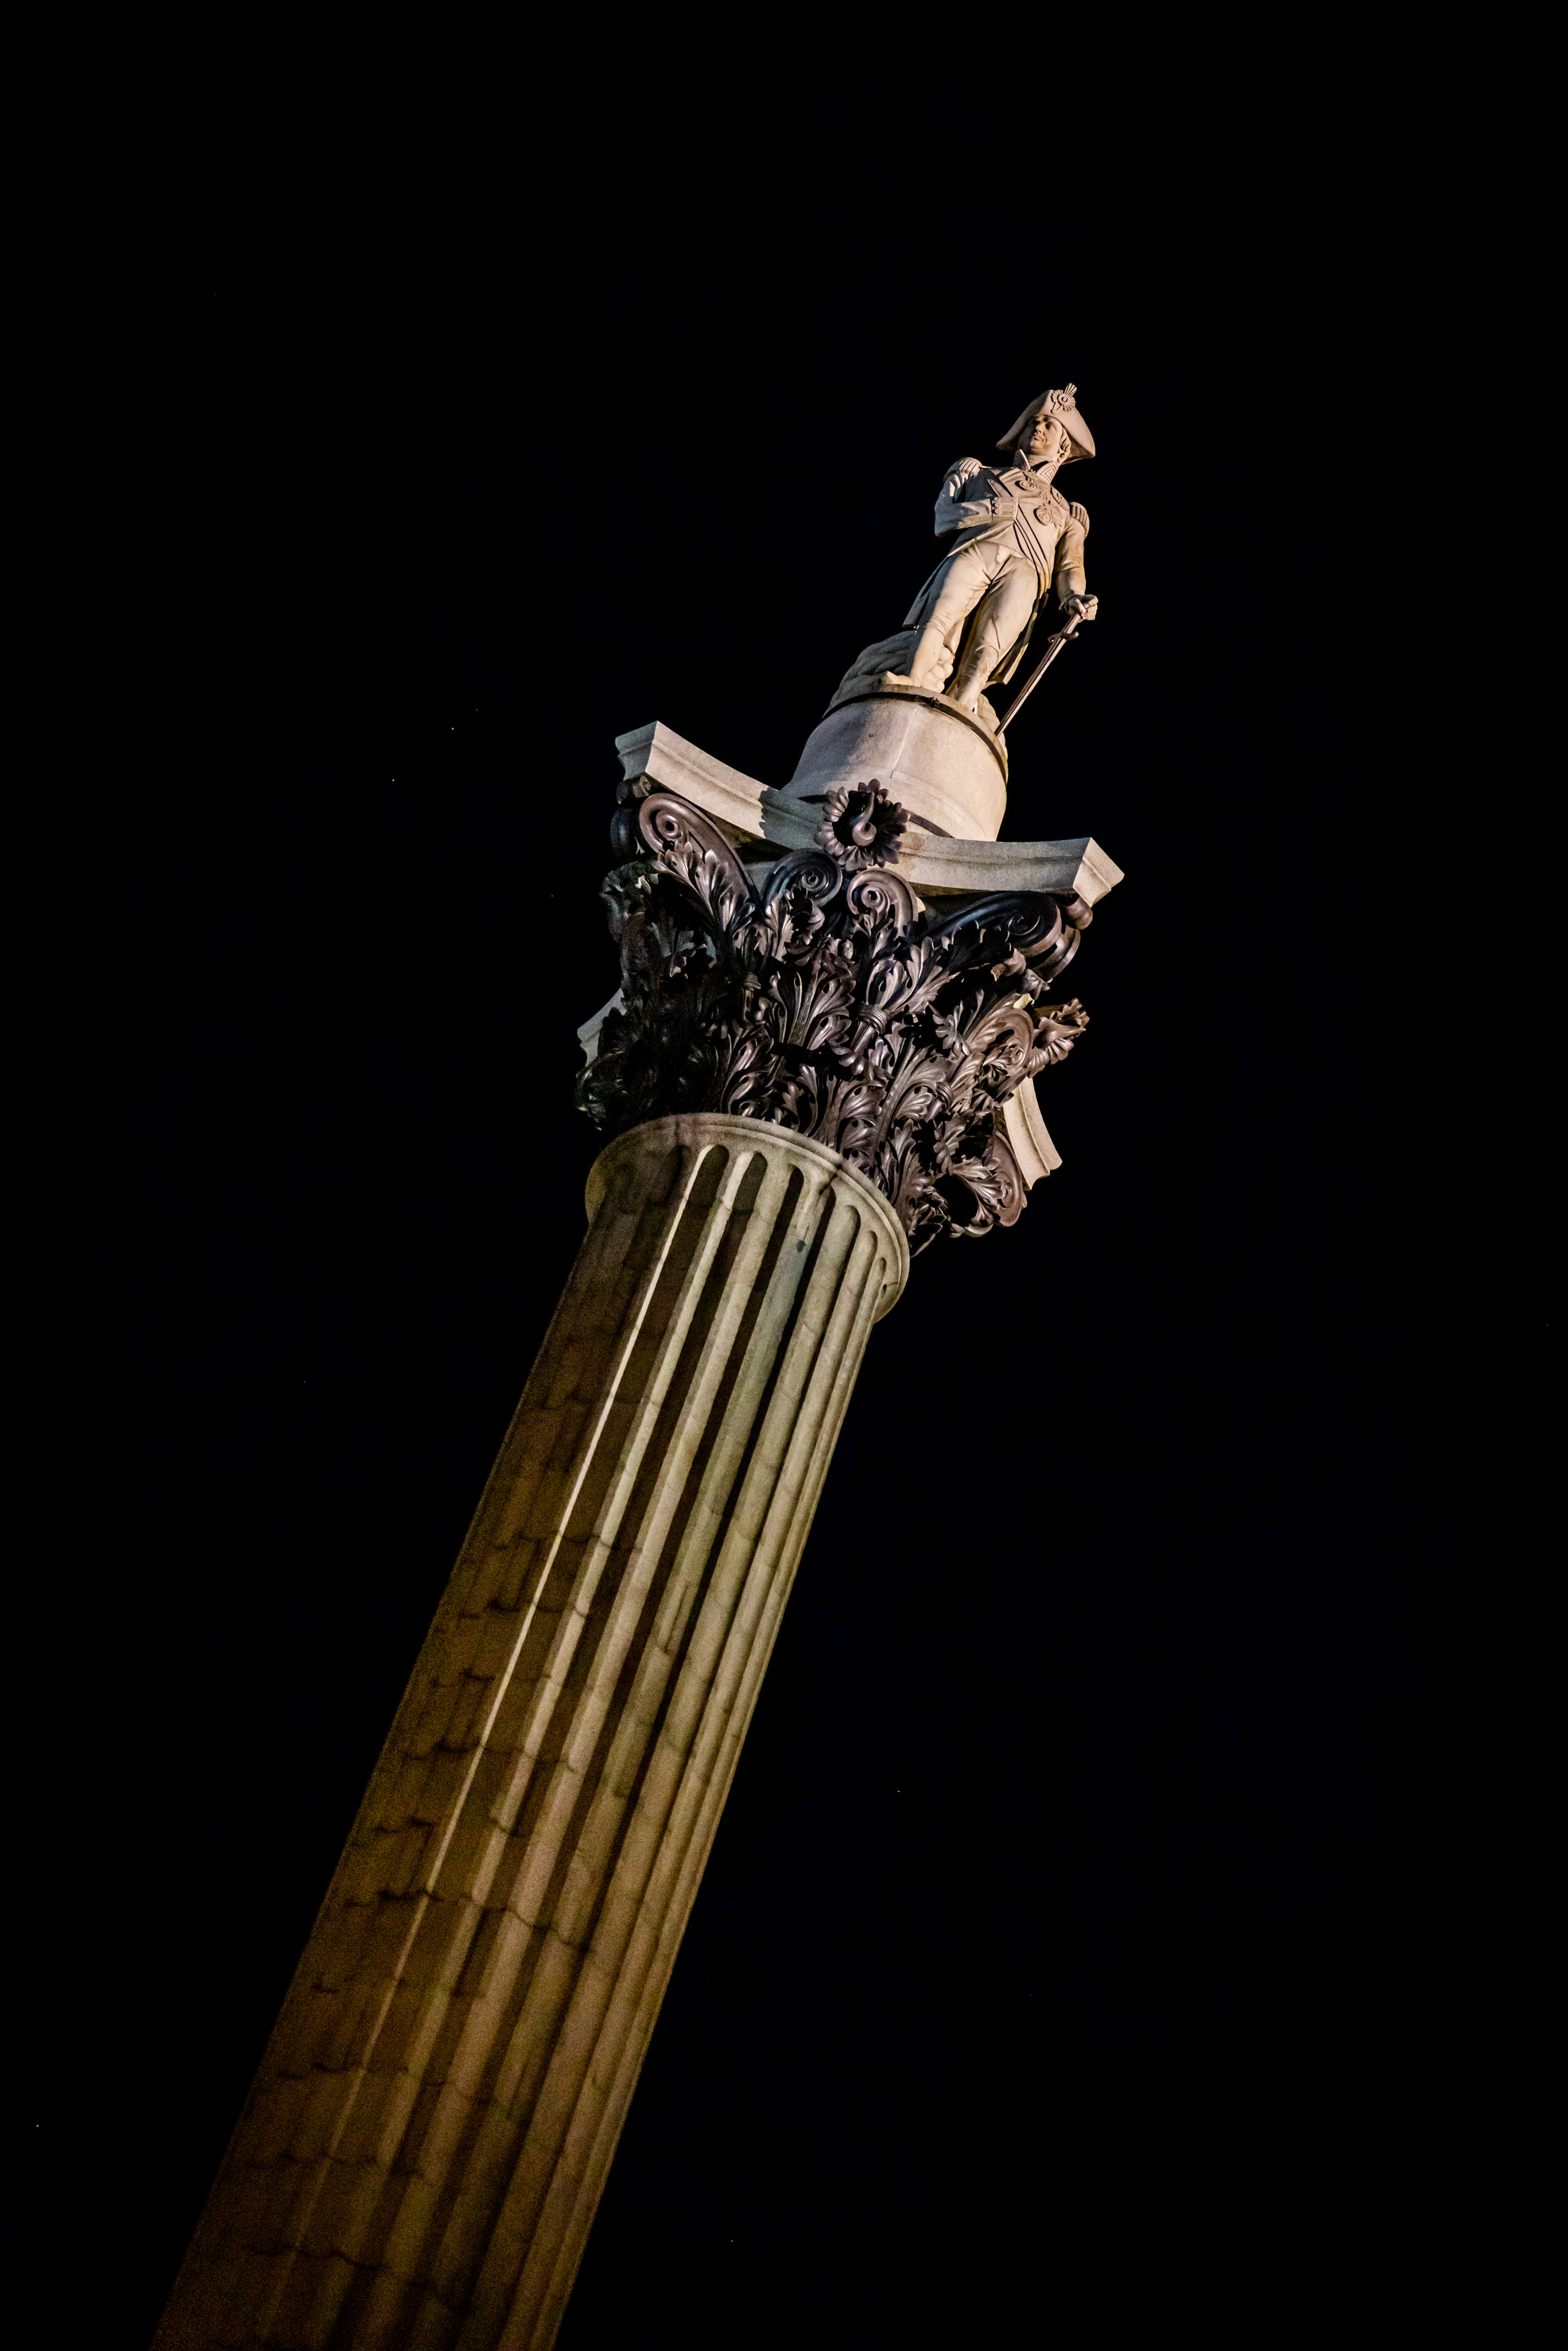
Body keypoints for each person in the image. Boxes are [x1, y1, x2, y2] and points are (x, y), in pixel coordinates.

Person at [888, 383, 1099, 717]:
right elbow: (943, 519)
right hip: (977, 550)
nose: (1038, 428)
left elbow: (1070, 564)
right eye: (1033, 422)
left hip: (1028, 571)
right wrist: (989, 509)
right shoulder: (979, 473)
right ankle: (910, 682)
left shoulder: (1067, 512)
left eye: (1049, 425)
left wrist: (1074, 596)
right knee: (939, 617)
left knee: (988, 649)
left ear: (1063, 447)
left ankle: (961, 712)